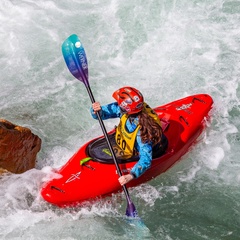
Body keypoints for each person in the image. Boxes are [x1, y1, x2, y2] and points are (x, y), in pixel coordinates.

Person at [91, 86, 168, 186]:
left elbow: (146, 159)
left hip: (148, 149)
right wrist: (96, 111)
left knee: (143, 145)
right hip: (127, 143)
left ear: (125, 108)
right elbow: (103, 113)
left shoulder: (142, 132)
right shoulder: (129, 109)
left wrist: (131, 175)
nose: (117, 104)